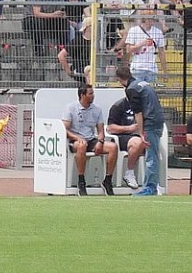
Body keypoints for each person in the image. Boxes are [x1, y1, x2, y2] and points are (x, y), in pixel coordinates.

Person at [116, 64, 165, 196]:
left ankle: (150, 188)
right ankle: (152, 186)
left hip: (151, 122)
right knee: (153, 154)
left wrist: (141, 133)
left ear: (119, 79)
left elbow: (138, 113)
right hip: (158, 120)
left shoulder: (131, 89)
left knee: (151, 157)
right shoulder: (143, 84)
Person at [65, 83, 116, 196]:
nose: (93, 95)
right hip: (75, 140)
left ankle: (107, 180)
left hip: (91, 139)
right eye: (90, 93)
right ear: (82, 95)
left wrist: (100, 142)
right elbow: (65, 130)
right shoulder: (71, 108)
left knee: (113, 147)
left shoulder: (97, 109)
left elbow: (101, 131)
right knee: (81, 145)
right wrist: (77, 137)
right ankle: (81, 181)